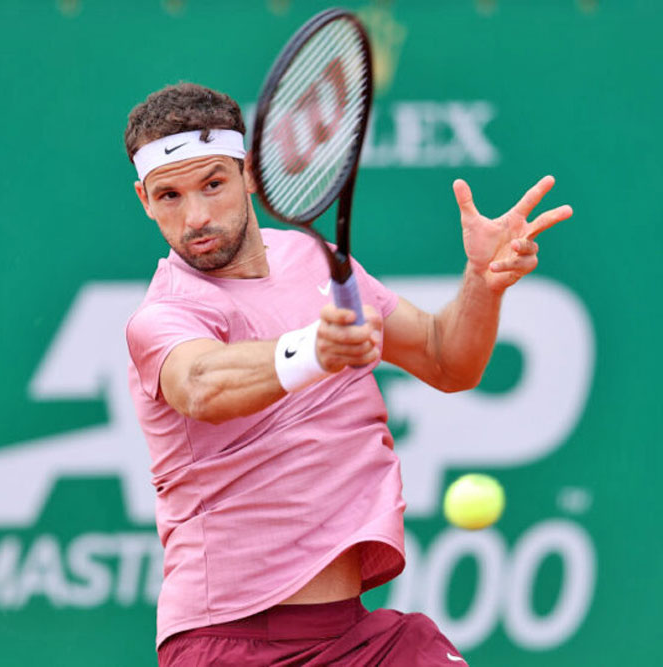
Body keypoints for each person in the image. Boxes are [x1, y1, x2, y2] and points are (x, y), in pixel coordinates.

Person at [123, 82, 572, 666]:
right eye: (170, 196)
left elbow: (445, 358)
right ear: (144, 200)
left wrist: (482, 283)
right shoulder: (164, 314)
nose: (197, 216)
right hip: (229, 642)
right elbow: (200, 384)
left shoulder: (313, 261)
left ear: (249, 172)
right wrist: (315, 349)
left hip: (354, 635)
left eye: (212, 184)